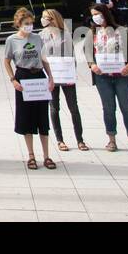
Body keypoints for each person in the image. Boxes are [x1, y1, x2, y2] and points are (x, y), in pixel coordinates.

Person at [88, 4, 128, 154]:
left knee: (127, 108)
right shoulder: (92, 33)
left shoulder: (121, 31)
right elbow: (88, 53)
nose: (95, 17)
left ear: (105, 13)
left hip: (122, 76)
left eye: (97, 13)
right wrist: (92, 65)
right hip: (103, 77)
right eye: (93, 14)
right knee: (108, 109)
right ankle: (111, 140)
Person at [3, 7, 56, 169]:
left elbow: (44, 58)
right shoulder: (12, 40)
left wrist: (51, 77)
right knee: (26, 117)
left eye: (31, 23)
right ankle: (31, 155)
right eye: (26, 23)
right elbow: (7, 60)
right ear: (18, 24)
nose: (29, 26)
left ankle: (47, 156)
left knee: (42, 116)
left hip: (38, 76)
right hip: (23, 77)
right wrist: (13, 79)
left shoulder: (37, 38)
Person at [41, 8, 88, 152]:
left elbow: (71, 56)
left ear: (53, 19)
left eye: (46, 17)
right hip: (51, 76)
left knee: (73, 107)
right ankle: (60, 140)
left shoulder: (65, 34)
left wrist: (71, 74)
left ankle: (80, 140)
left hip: (66, 76)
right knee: (54, 108)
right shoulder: (41, 36)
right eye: (43, 17)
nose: (43, 20)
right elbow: (41, 57)